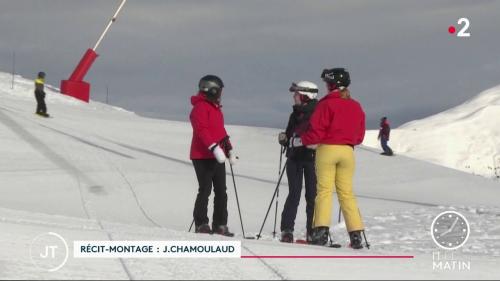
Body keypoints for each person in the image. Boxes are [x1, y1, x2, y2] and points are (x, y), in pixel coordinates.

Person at [289, 68, 367, 249]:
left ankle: (320, 234)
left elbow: (316, 132)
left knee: (324, 191)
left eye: (326, 83)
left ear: (331, 84)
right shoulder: (356, 105)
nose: (325, 86)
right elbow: (360, 136)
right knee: (347, 193)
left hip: (327, 150)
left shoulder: (325, 104)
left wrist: (300, 141)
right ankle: (356, 236)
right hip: (348, 152)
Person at [189, 74, 237, 237]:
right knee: (205, 189)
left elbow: (220, 132)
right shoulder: (200, 107)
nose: (221, 94)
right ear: (211, 90)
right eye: (219, 91)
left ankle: (220, 224)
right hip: (202, 155)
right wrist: (214, 148)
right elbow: (201, 130)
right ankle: (201, 223)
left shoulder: (216, 109)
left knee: (221, 191)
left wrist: (228, 149)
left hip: (218, 156)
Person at [278, 81, 319, 243]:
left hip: (311, 158)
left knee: (312, 196)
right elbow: (289, 134)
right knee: (294, 193)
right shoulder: (294, 114)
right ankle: (287, 230)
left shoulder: (317, 113)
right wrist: (285, 139)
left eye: (296, 94)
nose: (294, 97)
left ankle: (313, 232)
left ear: (305, 95)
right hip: (295, 157)